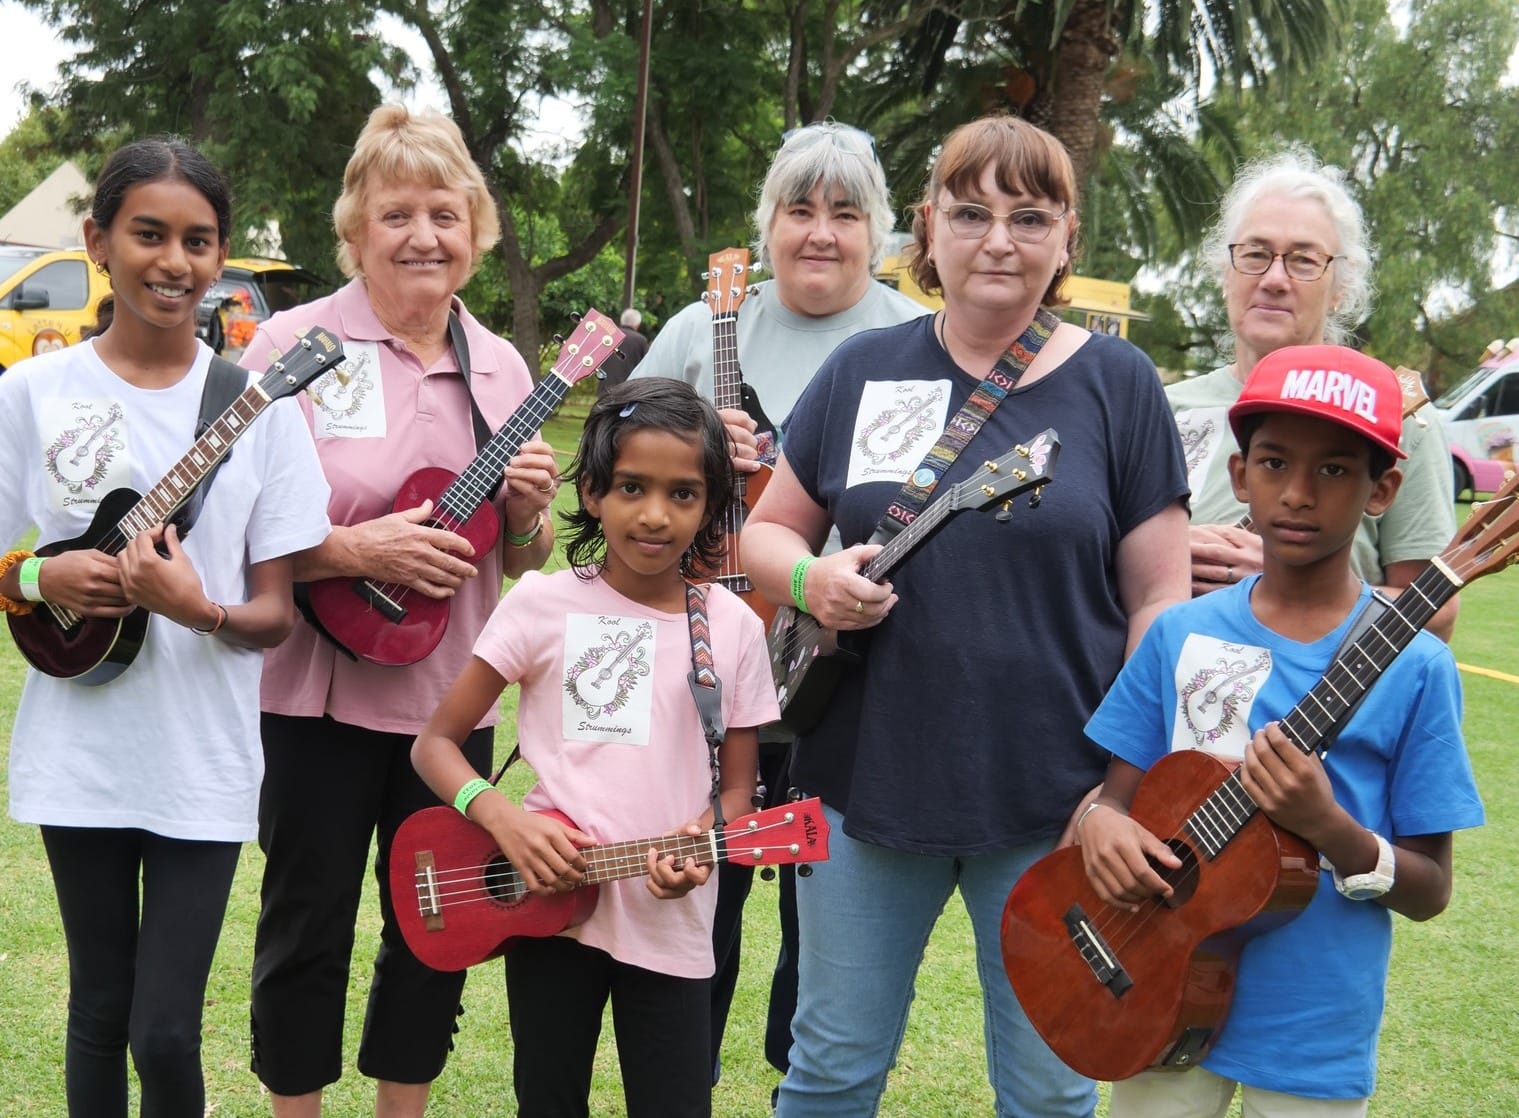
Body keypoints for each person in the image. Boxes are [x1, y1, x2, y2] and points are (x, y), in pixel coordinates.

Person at [742, 113, 1191, 1117]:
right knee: (829, 1070)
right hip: (864, 785)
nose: (998, 239)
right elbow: (765, 532)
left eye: (1028, 216)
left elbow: (1161, 599)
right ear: (928, 230)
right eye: (971, 211)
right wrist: (815, 583)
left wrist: (1119, 785)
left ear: (1067, 235)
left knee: (1047, 1086)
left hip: (1056, 796)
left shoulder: (1119, 384)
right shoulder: (863, 371)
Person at [0, 138, 329, 1116]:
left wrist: (202, 608)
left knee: (164, 1027)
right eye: (149, 234)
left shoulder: (260, 411)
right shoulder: (31, 394)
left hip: (205, 755)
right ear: (99, 240)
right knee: (99, 1008)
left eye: (199, 240)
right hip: (80, 749)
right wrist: (35, 569)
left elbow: (276, 614)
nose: (175, 261)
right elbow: (10, 568)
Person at [245, 105, 560, 1118]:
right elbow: (229, 519)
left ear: (475, 226)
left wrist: (531, 511)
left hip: (445, 706)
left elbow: (520, 560)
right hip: (314, 697)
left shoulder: (502, 365)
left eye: (444, 211)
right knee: (307, 918)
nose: (424, 235)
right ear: (353, 230)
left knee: (436, 920)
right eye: (396, 214)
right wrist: (346, 550)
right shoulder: (294, 344)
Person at [1080, 344, 1485, 1117]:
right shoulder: (1179, 634)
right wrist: (1099, 826)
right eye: (1272, 463)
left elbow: (1430, 891)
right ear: (1238, 478)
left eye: (1334, 470)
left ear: (1383, 488)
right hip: (1149, 990)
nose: (1297, 493)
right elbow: (1111, 801)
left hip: (1311, 1027)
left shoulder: (1419, 667)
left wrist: (1326, 826)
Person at [632, 118, 928, 1091]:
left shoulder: (913, 343)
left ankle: (797, 1081)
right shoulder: (701, 328)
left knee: (824, 915)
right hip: (701, 666)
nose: (820, 232)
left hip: (844, 675)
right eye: (799, 208)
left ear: (878, 230)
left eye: (845, 213)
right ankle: (684, 1081)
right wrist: (682, 446)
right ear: (765, 223)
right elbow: (613, 481)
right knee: (693, 899)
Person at [411, 376, 781, 1117]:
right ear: (591, 493)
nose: (654, 514)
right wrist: (503, 819)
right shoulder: (541, 603)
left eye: (683, 494)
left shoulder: (734, 627)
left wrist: (705, 840)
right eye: (631, 487)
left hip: (669, 920)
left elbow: (739, 794)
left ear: (711, 503)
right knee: (546, 1102)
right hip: (546, 911)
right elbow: (435, 746)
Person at [1168, 150, 1459, 639]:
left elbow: (1437, 616)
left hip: (1319, 708)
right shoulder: (1163, 409)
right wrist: (1165, 557)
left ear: (1340, 287)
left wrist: (1293, 579)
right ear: (1226, 273)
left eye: (1304, 260)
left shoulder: (1393, 413)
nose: (1275, 279)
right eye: (1256, 254)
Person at [597, 307, 650, 395]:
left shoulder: (609, 336)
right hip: (628, 390)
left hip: (606, 388)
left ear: (622, 320)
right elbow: (646, 365)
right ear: (637, 324)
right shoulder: (640, 340)